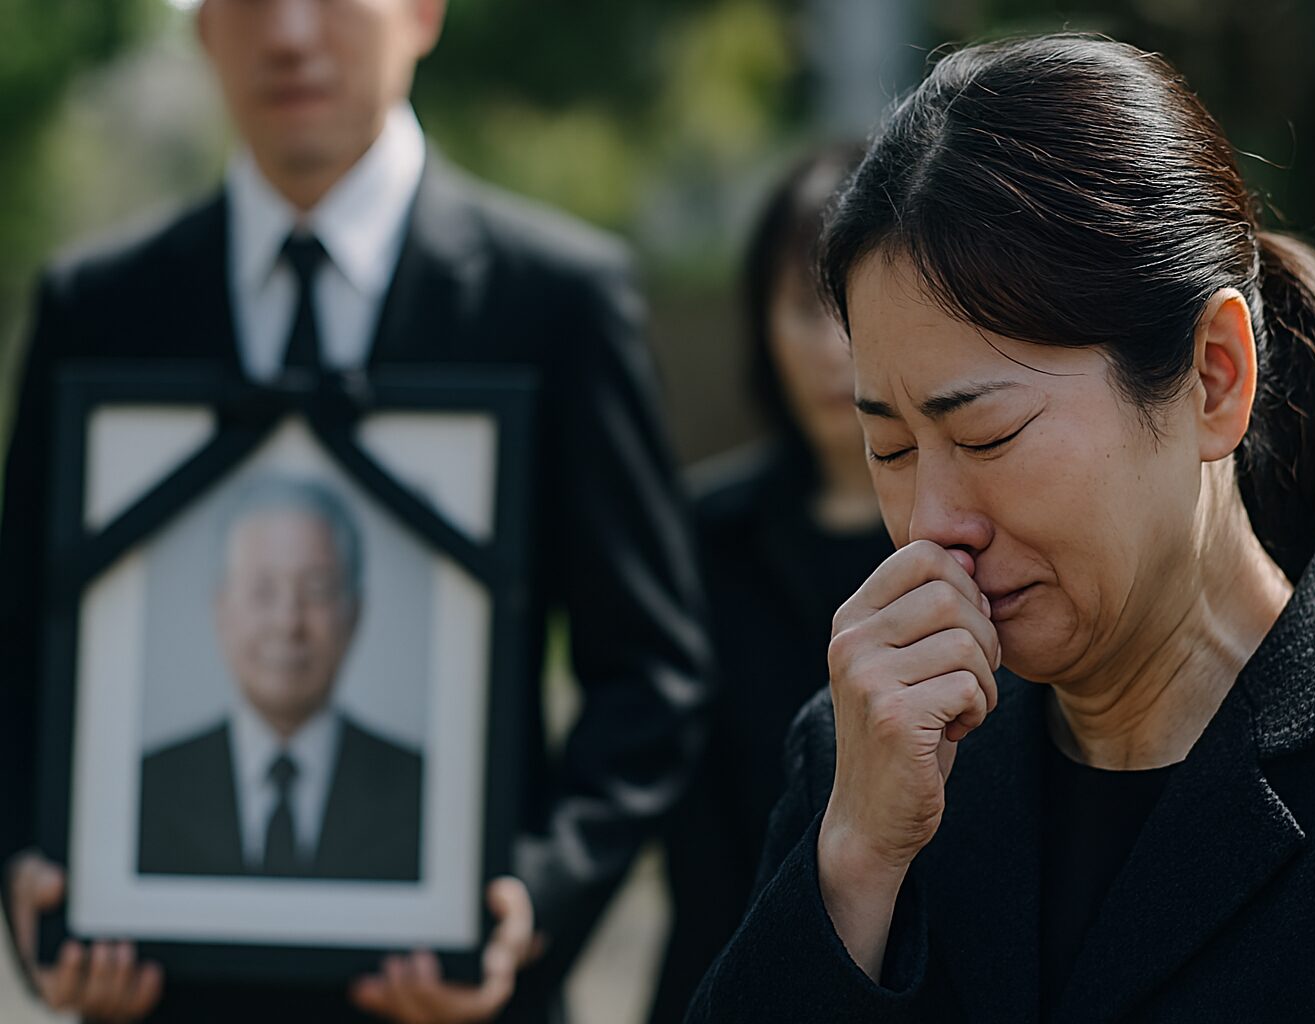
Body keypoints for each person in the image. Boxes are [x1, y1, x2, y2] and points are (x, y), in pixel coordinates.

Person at [687, 33, 1315, 1023]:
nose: (931, 524)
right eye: (892, 449)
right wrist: (855, 867)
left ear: (1215, 375)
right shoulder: (859, 767)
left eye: (989, 433)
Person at [0, 1, 708, 1022]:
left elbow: (653, 672)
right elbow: (21, 641)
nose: (290, 34)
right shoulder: (97, 307)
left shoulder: (558, 300)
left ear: (422, 11)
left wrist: (530, 900)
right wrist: (37, 867)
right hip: (164, 993)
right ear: (199, 26)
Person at [647, 147, 890, 1024]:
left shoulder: (974, 539)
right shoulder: (697, 535)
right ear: (760, 322)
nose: (833, 347)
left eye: (851, 308)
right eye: (801, 308)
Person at [138, 476, 424, 882]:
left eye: (318, 589)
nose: (288, 622)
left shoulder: (424, 797)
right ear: (221, 610)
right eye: (263, 590)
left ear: (356, 613)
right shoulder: (146, 791)